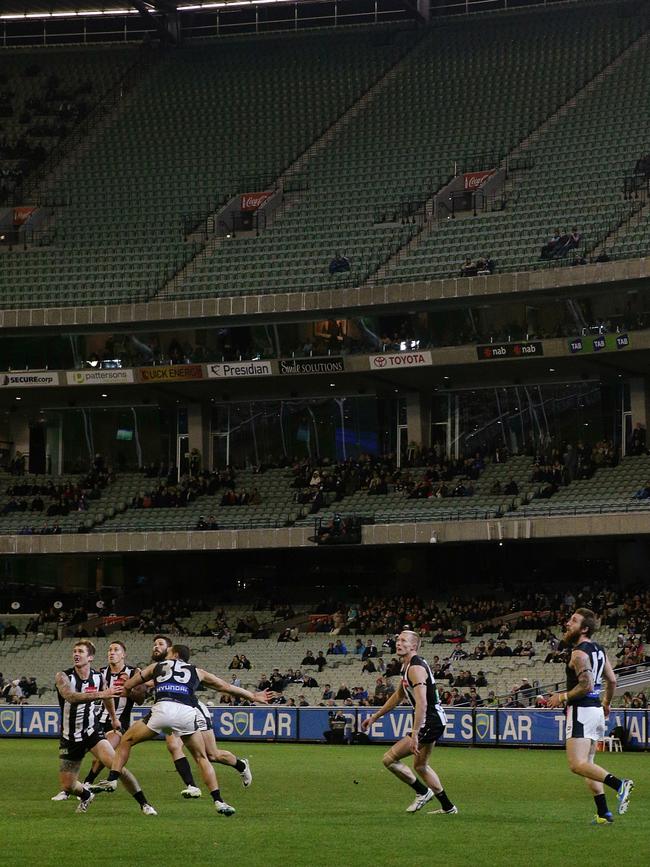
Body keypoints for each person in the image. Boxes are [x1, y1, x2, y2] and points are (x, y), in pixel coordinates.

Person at [100, 639, 272, 816]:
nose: (161, 650)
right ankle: (217, 800)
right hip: (186, 714)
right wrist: (252, 696)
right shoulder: (198, 671)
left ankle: (113, 779)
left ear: (174, 654)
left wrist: (127, 690)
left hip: (170, 711)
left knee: (127, 740)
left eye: (165, 648)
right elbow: (226, 687)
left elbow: (130, 686)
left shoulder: (157, 667)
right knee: (195, 754)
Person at [547, 608, 633, 824]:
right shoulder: (599, 650)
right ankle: (604, 813)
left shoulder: (578, 653)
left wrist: (563, 696)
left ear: (584, 628)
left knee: (576, 764)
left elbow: (585, 686)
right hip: (595, 711)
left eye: (573, 621)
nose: (568, 623)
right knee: (589, 765)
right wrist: (605, 703)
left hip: (581, 711)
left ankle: (620, 784)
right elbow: (612, 681)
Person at [53, 640, 155, 815]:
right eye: (74, 651)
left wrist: (115, 718)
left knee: (117, 765)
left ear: (90, 657)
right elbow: (71, 697)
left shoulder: (98, 677)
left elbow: (108, 698)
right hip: (70, 737)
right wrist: (102, 694)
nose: (76, 654)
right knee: (68, 785)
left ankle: (144, 804)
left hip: (93, 732)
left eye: (81, 651)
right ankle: (86, 794)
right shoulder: (63, 676)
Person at [361, 630, 457, 815]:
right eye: (398, 639)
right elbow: (398, 696)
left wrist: (415, 734)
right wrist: (375, 717)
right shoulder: (406, 667)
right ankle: (448, 807)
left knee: (389, 759)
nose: (398, 642)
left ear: (413, 646)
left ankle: (422, 792)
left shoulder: (415, 668)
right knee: (420, 766)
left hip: (429, 721)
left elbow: (422, 702)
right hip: (433, 720)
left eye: (403, 640)